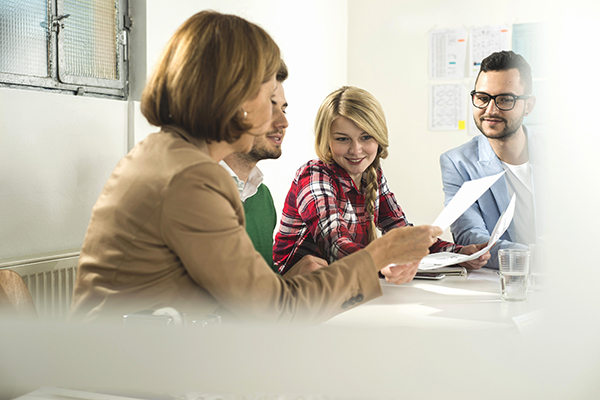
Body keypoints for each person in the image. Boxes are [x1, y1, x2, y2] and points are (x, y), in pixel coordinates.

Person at [69, 10, 441, 324]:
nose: (277, 116)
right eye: (270, 98)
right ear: (236, 98)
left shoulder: (167, 155)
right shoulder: (191, 177)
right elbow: (274, 311)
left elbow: (243, 295)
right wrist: (378, 255)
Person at [273, 86, 489, 276]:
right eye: (342, 139)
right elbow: (335, 246)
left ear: (378, 136)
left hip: (343, 286)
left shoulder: (372, 174)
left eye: (366, 137)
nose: (355, 150)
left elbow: (400, 230)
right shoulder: (314, 175)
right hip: (295, 294)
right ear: (326, 140)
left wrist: (460, 254)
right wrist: (381, 260)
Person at [220, 61, 326, 275]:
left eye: (283, 109)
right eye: (269, 109)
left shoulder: (261, 197)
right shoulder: (192, 193)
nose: (284, 121)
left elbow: (259, 293)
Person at [440, 50, 540, 269]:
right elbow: (472, 239)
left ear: (529, 106)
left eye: (505, 99)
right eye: (483, 98)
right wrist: (544, 260)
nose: (490, 110)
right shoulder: (457, 163)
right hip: (502, 284)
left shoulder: (564, 155)